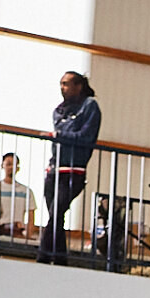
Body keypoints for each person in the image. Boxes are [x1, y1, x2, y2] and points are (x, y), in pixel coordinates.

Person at [38, 71, 100, 265]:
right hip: (54, 170)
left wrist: (58, 135)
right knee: (55, 217)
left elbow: (86, 136)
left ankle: (43, 257)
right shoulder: (58, 110)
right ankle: (60, 259)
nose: (62, 88)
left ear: (78, 86)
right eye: (61, 84)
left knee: (56, 213)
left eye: (66, 84)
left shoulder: (89, 106)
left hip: (74, 171)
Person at [0, 153, 36, 237]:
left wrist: (28, 236)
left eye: (14, 164)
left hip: (17, 233)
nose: (11, 167)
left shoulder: (26, 191)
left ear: (18, 168)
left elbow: (31, 216)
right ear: (2, 166)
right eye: (8, 164)